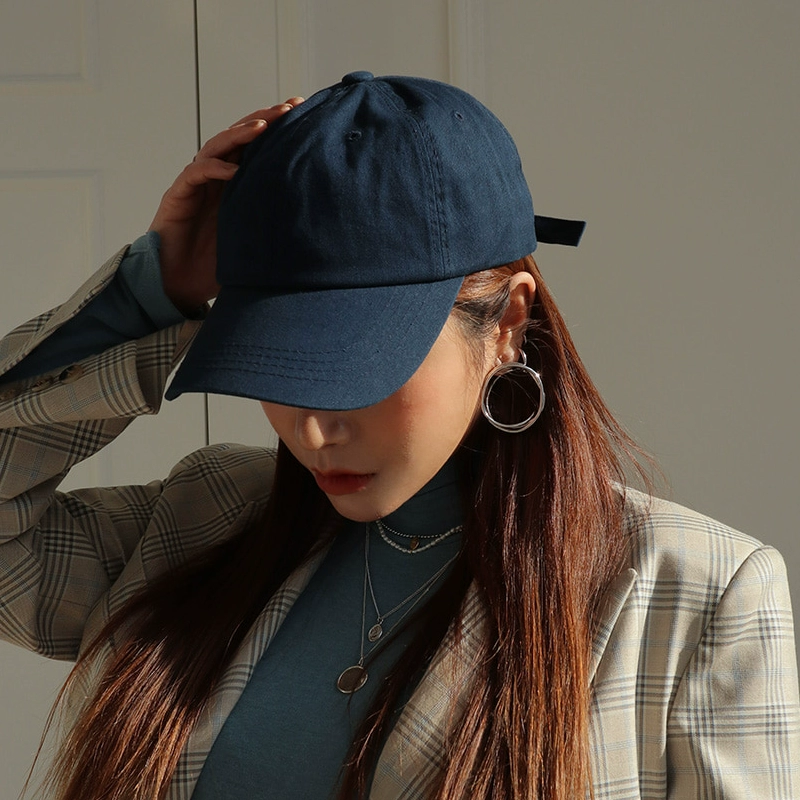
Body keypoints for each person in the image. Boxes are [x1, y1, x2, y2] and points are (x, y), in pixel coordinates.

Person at [0, 72, 797, 800]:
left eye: (359, 368)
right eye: (278, 367)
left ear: (508, 322)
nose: (313, 427)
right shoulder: (203, 519)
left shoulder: (693, 594)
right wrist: (149, 294)